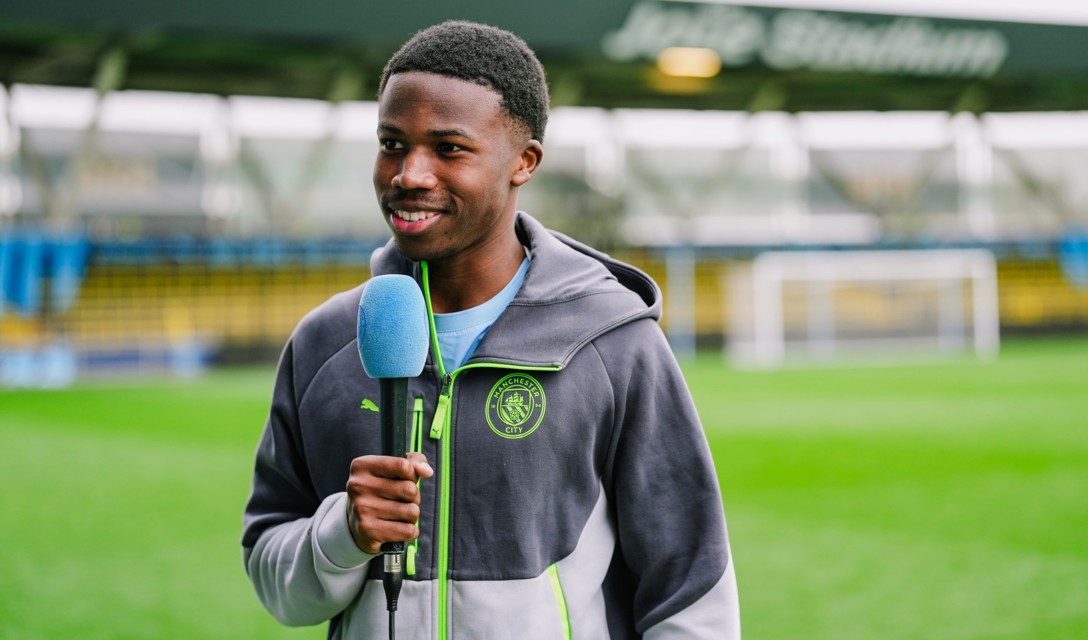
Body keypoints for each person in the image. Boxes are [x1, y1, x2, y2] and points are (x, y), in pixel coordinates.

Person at [242, 20, 740, 640]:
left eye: (449, 148)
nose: (409, 174)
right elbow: (272, 574)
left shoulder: (614, 343)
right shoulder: (325, 343)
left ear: (523, 162)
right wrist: (342, 534)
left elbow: (692, 588)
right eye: (392, 143)